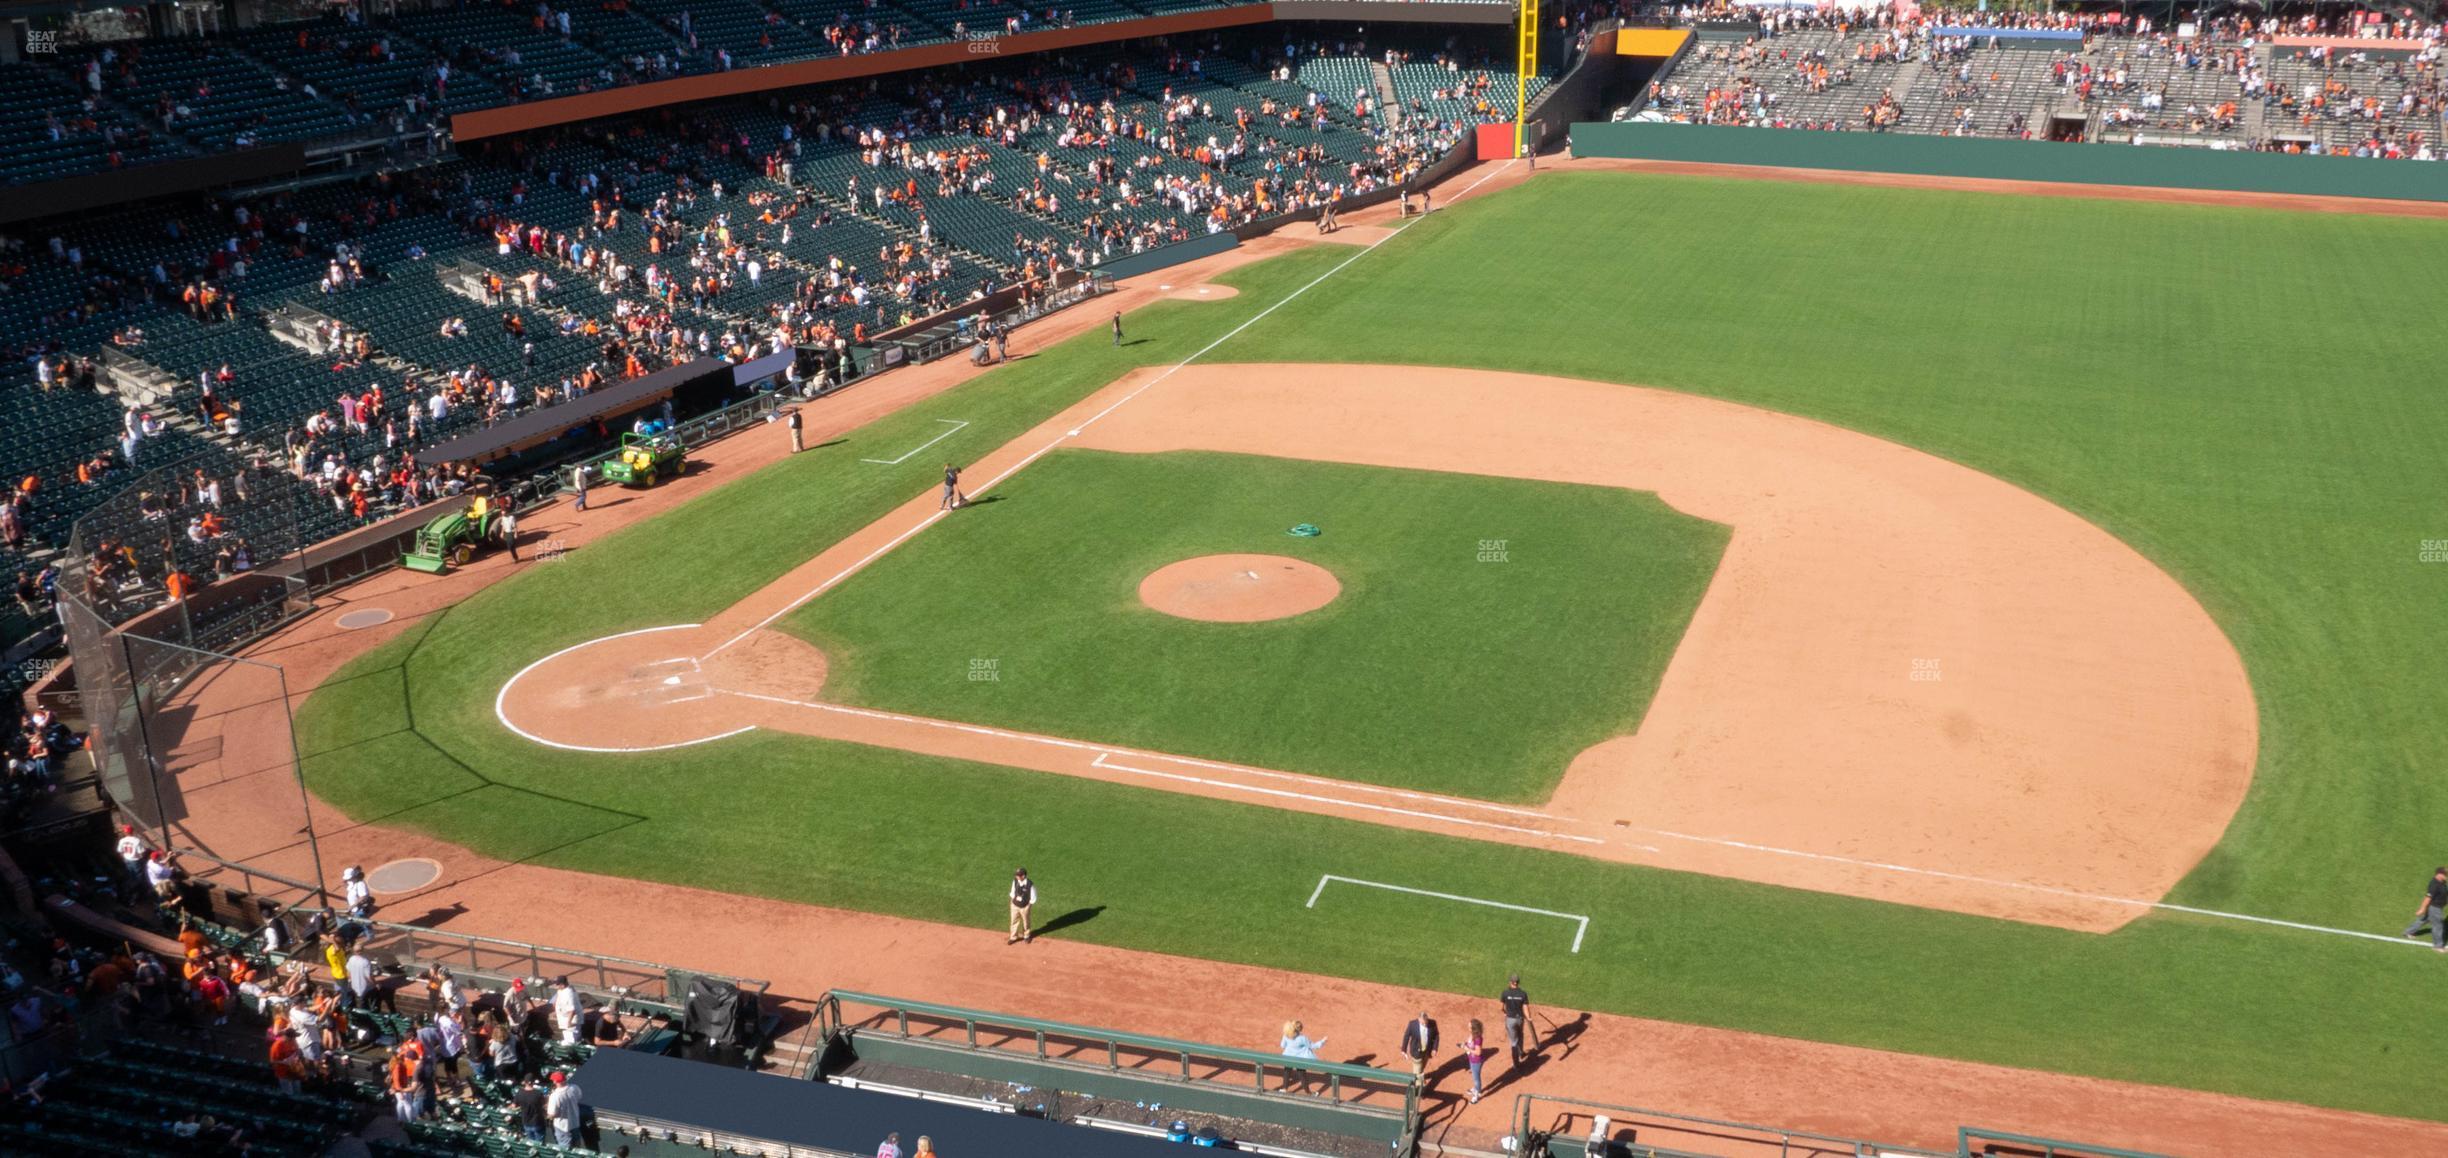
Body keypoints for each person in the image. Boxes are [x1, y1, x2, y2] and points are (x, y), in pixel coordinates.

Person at [2406, 866, 2448, 952]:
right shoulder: (2434, 884)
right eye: (2446, 874)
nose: (2447, 876)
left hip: (2437, 907)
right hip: (2434, 908)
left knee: (2423, 920)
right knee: (2438, 926)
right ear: (2440, 874)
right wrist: (2422, 908)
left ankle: (2408, 932)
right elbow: (2427, 898)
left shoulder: (2442, 882)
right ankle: (2438, 946)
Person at [1278, 1019, 1326, 1093]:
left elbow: (1282, 1045)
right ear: (1299, 1030)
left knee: (1286, 1072)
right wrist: (1322, 1041)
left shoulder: (1286, 1035)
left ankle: (1284, 1088)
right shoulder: (1302, 1038)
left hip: (1288, 1058)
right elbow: (1313, 1046)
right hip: (1299, 1060)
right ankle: (1308, 1092)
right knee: (1302, 1075)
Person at [546, 1070, 583, 1147]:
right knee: (576, 1147)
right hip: (575, 1122)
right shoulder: (574, 1087)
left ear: (555, 1082)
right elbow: (579, 1098)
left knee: (565, 1148)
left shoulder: (555, 1096)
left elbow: (552, 1114)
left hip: (562, 1126)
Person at [1456, 1018, 1489, 1104]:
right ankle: (1475, 1089)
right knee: (1475, 1076)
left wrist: (1468, 1049)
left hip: (1476, 1061)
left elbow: (1478, 1052)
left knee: (1476, 1078)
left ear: (1473, 1028)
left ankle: (1476, 1094)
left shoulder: (1478, 1039)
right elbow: (1469, 1043)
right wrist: (1464, 1044)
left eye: (1469, 1026)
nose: (1468, 1027)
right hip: (1472, 1059)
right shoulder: (1472, 1035)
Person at [1499, 974, 1531, 1064]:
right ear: (1518, 983)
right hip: (1520, 1019)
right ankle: (1521, 1053)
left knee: (1513, 1042)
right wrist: (1528, 1017)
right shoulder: (1523, 994)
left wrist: (1505, 1013)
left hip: (1510, 1020)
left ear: (1510, 982)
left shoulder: (1505, 993)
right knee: (1520, 1035)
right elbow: (1525, 1008)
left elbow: (1501, 1008)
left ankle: (1516, 1064)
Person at [1398, 1011, 1437, 1081]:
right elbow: (1406, 1036)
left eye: (1426, 1022)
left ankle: (1420, 1076)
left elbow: (1436, 1035)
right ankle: (1418, 1087)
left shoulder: (1433, 1023)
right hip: (1416, 1052)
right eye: (1422, 1023)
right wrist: (1403, 1050)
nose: (1425, 1024)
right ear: (1419, 1020)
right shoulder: (1412, 1025)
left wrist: (1434, 1048)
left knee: (1422, 1067)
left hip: (1427, 1051)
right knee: (1417, 1073)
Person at [511, 1075, 547, 1142]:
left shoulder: (519, 1093)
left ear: (525, 1082)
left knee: (532, 1143)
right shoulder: (538, 1093)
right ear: (533, 1082)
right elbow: (545, 1105)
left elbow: (513, 1106)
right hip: (538, 1122)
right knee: (539, 1144)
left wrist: (521, 1107)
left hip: (526, 1122)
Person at [1007, 868, 1035, 945]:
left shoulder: (1029, 884)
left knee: (1026, 922)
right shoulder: (1015, 881)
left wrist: (1029, 906)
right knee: (1014, 921)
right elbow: (1012, 892)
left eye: (1018, 875)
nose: (1016, 876)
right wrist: (1011, 902)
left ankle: (1026, 936)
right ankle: (1013, 937)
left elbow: (1033, 897)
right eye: (1016, 875)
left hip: (1025, 907)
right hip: (1014, 905)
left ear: (1023, 876)